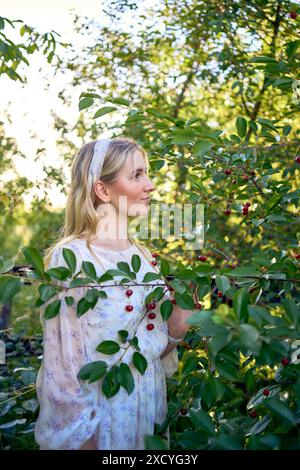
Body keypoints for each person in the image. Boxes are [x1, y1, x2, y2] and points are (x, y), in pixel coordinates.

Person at [34, 137, 192, 450]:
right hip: (99, 424)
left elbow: (143, 355)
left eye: (146, 173)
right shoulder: (74, 258)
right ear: (103, 190)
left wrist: (176, 331)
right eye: (137, 175)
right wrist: (82, 441)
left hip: (142, 415)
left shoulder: (145, 260)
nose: (150, 186)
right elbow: (61, 368)